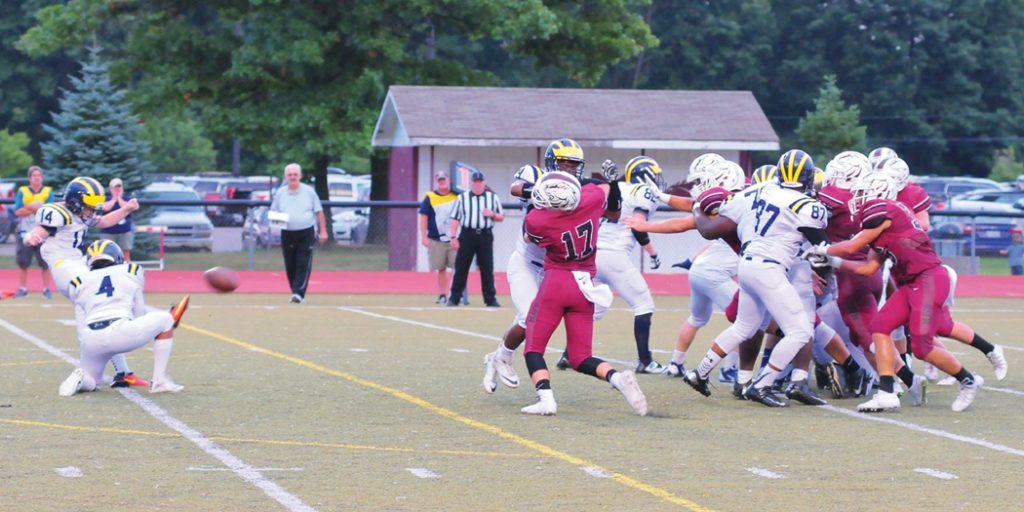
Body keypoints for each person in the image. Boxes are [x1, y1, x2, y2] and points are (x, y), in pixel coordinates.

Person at [519, 171, 647, 416]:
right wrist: (611, 182)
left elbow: (529, 238)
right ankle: (617, 378)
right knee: (580, 357)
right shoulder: (590, 198)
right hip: (585, 285)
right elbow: (607, 194)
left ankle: (546, 399)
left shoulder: (539, 220)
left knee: (533, 348)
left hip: (556, 283)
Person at [23, 176, 146, 388]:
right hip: (63, 265)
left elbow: (106, 221)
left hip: (77, 263)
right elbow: (38, 232)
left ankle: (121, 371)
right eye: (89, 207)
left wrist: (126, 210)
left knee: (102, 311)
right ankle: (90, 370)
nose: (92, 211)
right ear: (76, 202)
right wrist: (31, 237)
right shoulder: (59, 213)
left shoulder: (82, 213)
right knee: (90, 310)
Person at [58, 240, 190, 396]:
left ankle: (81, 379)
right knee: (166, 319)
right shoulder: (131, 270)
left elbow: (82, 318)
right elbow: (139, 313)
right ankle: (159, 382)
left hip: (91, 338)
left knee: (92, 382)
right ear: (117, 257)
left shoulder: (78, 282)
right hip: (120, 331)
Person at [270, 163, 328, 304]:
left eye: (295, 174)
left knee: (303, 262)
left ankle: (299, 293)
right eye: (290, 175)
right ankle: (295, 291)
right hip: (287, 233)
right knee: (290, 264)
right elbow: (274, 212)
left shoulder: (309, 191)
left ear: (300, 176)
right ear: (286, 177)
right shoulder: (280, 193)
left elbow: (319, 211)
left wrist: (323, 231)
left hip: (306, 231)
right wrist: (276, 225)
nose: (293, 177)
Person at [448, 171, 504, 307]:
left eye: (480, 182)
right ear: (471, 183)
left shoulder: (493, 198)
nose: (477, 184)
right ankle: (454, 298)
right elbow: (455, 218)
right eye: (475, 182)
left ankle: (490, 298)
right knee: (461, 267)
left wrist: (492, 214)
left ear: (484, 183)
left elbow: (501, 216)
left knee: (487, 267)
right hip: (467, 234)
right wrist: (453, 237)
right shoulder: (462, 198)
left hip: (485, 235)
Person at [12, 166, 57, 298]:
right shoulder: (23, 191)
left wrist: (29, 207)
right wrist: (35, 207)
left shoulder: (47, 192)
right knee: (22, 262)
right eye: (34, 175)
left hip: (42, 233)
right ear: (29, 178)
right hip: (24, 232)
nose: (37, 177)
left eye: (39, 175)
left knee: (44, 263)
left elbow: (49, 210)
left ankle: (46, 289)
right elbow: (18, 211)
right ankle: (22, 288)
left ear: (42, 177)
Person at [418, 170, 459, 304]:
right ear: (436, 181)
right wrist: (424, 236)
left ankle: (456, 293)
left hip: (454, 237)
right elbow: (424, 218)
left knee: (457, 267)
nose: (442, 182)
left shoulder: (457, 196)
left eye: (444, 179)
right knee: (440, 267)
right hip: (436, 238)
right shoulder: (430, 197)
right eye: (439, 180)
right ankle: (442, 294)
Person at [99, 178, 135, 261]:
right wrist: (114, 199)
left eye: (119, 187)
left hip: (124, 231)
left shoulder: (128, 199)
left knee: (126, 253)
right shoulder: (105, 199)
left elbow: (128, 207)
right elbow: (106, 208)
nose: (117, 190)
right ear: (111, 189)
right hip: (108, 232)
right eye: (115, 188)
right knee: (107, 254)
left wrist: (119, 199)